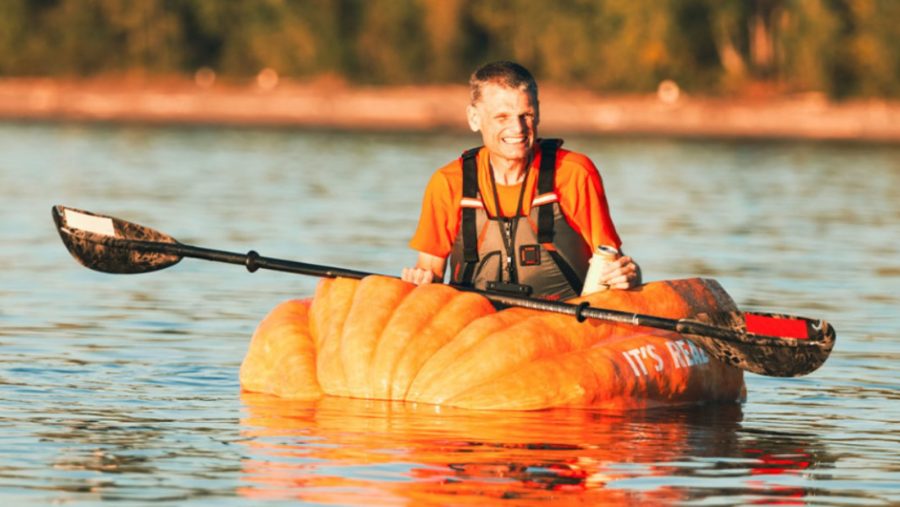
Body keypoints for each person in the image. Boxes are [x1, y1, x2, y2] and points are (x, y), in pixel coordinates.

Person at [401, 60, 640, 300]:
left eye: (526, 115)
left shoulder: (575, 173)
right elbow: (429, 274)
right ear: (474, 118)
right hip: (476, 326)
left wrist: (629, 275)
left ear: (538, 113)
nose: (517, 128)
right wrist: (420, 280)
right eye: (502, 117)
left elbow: (612, 265)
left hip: (564, 327)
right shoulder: (448, 182)